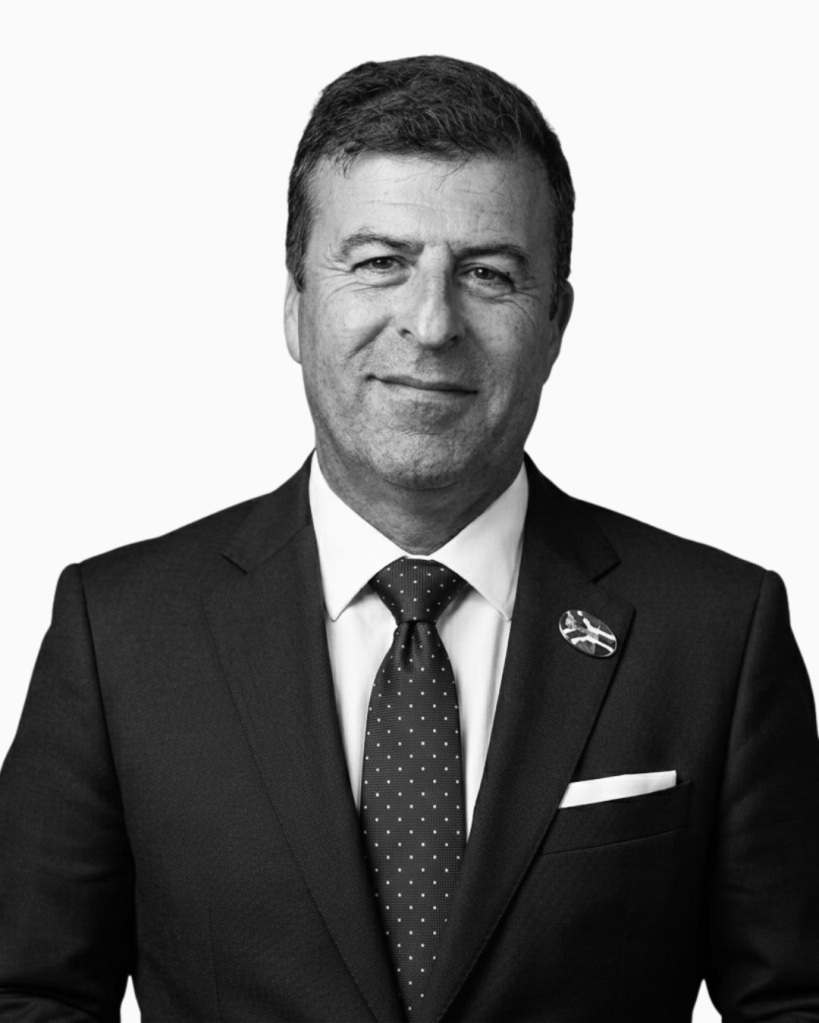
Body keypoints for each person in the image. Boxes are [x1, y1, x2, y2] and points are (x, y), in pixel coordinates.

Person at [1, 54, 817, 1023]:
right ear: (296, 304)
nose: (431, 324)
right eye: (380, 262)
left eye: (488, 274)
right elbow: (28, 997)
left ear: (555, 322)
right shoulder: (120, 634)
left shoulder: (716, 635)